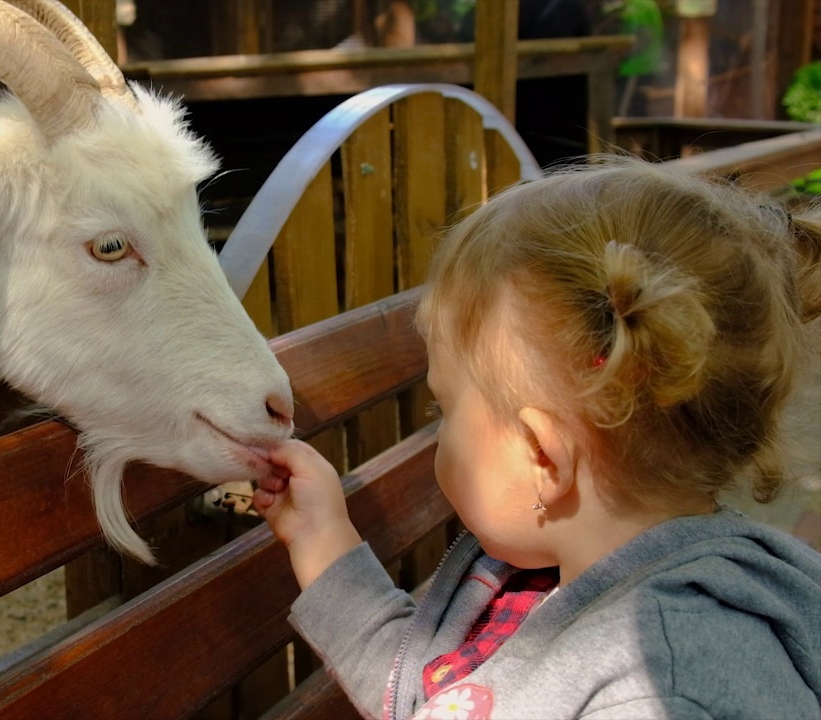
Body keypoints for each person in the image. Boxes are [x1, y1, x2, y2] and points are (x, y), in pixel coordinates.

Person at [253, 157, 821, 719]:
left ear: (543, 456)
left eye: (443, 408)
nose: (438, 432)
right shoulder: (533, 583)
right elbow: (433, 700)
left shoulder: (669, 690)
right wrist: (319, 534)